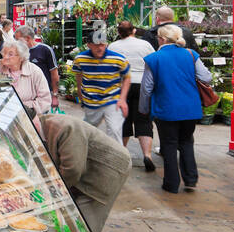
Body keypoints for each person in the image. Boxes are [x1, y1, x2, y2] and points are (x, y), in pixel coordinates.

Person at [139, 23, 213, 193]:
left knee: (169, 144)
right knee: (187, 142)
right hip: (190, 109)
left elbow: (146, 88)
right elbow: (206, 77)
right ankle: (191, 180)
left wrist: (144, 108)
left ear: (163, 39)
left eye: (158, 37)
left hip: (166, 109)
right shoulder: (190, 54)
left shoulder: (154, 58)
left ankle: (171, 184)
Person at [39, 112, 132, 232]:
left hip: (110, 168)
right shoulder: (43, 126)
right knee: (71, 218)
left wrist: (51, 192)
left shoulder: (64, 127)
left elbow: (73, 170)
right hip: (88, 167)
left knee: (86, 224)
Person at [0, 37, 51, 123]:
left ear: (21, 57)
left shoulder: (34, 71)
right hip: (1, 115)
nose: (5, 57)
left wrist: (22, 108)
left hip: (27, 118)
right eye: (4, 53)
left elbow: (45, 101)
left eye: (10, 54)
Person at [113, 20, 156, 172]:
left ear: (119, 32)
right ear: (134, 31)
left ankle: (122, 157)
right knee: (143, 120)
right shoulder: (145, 45)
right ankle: (147, 155)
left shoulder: (114, 46)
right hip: (142, 85)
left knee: (123, 121)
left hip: (121, 86)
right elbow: (154, 63)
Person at [71, 30, 131, 140]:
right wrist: (80, 93)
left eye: (102, 45)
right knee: (88, 130)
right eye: (96, 45)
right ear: (89, 45)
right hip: (91, 100)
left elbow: (127, 77)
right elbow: (78, 76)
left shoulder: (118, 59)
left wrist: (122, 99)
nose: (100, 48)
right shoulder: (80, 59)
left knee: (114, 130)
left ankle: (115, 156)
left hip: (113, 99)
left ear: (106, 44)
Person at [14, 25, 60, 108]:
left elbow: (54, 74)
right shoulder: (18, 52)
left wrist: (55, 95)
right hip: (25, 97)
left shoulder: (45, 50)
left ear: (27, 38)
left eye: (18, 40)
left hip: (42, 95)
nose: (16, 43)